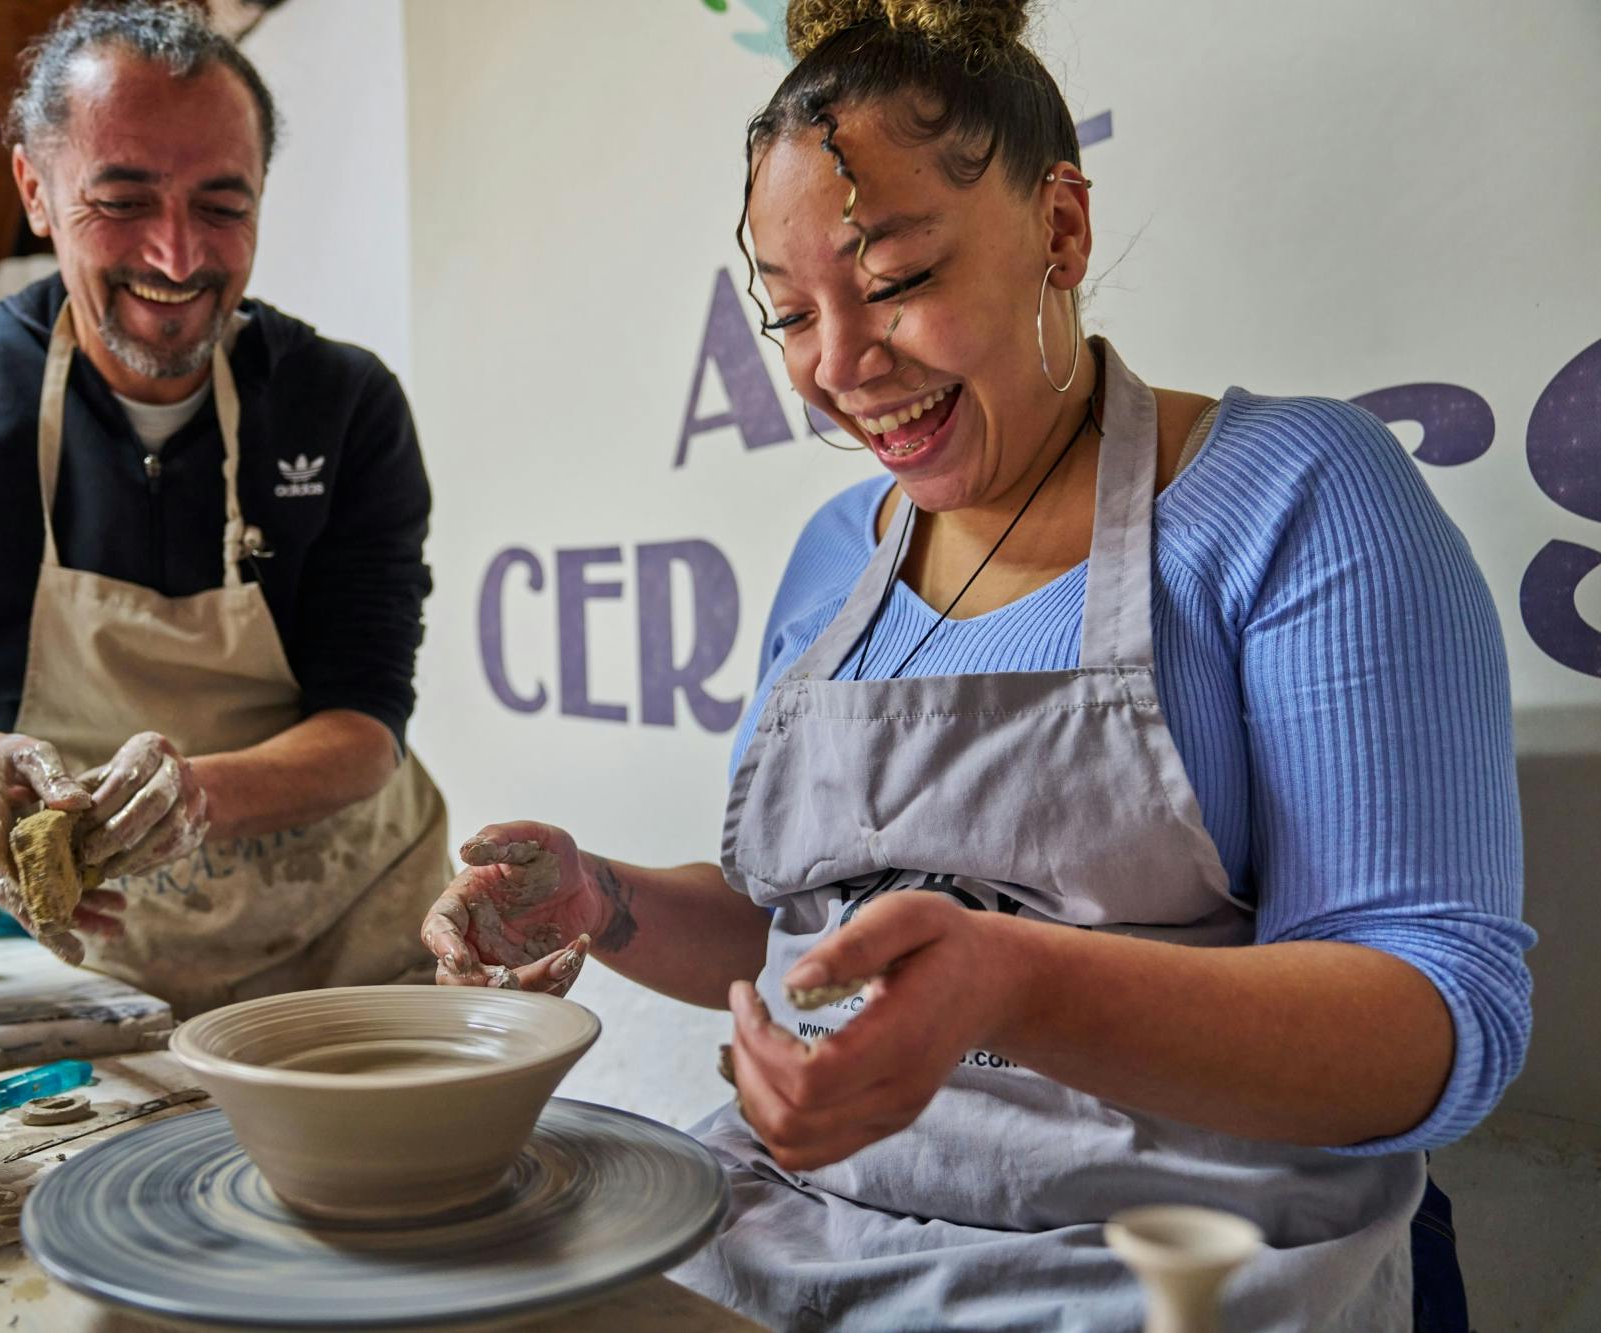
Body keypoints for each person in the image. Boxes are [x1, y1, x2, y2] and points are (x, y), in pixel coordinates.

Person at [420, 2, 1532, 1328]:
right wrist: (599, 900)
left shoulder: (1296, 496)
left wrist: (1015, 983)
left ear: (1059, 227)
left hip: (1178, 1265)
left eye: (893, 282)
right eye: (790, 317)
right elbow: (807, 935)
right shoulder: (841, 553)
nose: (839, 368)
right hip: (796, 1231)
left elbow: (1437, 1017)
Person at [0, 1, 447, 1017]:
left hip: (348, 926)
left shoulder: (342, 403)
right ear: (36, 190)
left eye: (222, 206)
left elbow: (364, 725)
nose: (178, 257)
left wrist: (202, 795)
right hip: (92, 959)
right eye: (123, 199)